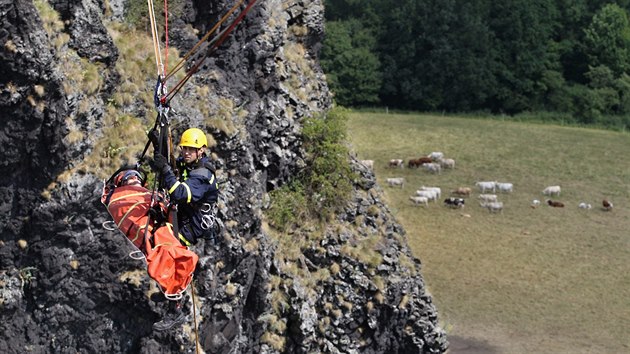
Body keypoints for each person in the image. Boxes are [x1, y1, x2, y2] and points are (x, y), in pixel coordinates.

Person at [150, 127, 221, 247]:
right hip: (181, 214)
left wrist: (165, 169)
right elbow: (171, 165)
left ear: (201, 150)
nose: (187, 152)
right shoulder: (188, 163)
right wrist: (159, 145)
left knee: (158, 244)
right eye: (185, 148)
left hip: (190, 226)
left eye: (191, 149)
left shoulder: (203, 176)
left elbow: (179, 194)